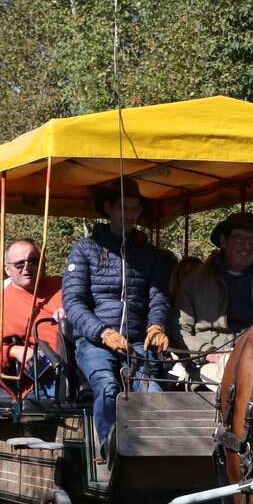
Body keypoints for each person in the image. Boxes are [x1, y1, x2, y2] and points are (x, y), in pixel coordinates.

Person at [62, 177, 170, 458]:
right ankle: (108, 450)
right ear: (108, 208)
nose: (130, 214)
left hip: (136, 344)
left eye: (135, 208)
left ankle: (156, 453)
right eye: (124, 207)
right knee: (109, 388)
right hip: (94, 344)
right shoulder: (85, 249)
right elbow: (73, 303)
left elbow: (158, 297)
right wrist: (102, 333)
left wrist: (156, 325)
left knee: (154, 394)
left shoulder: (149, 255)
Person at [174, 211, 253, 385]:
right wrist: (207, 353)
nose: (247, 246)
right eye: (239, 238)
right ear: (224, 242)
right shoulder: (194, 283)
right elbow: (179, 330)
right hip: (212, 366)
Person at [0, 239, 64, 396]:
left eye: (33, 261)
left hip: (82, 359)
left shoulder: (62, 286)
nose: (27, 267)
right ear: (8, 269)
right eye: (19, 264)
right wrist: (14, 350)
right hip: (47, 377)